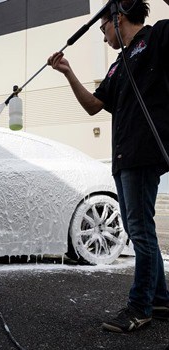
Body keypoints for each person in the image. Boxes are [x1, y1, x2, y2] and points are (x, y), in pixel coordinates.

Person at [48, 0, 169, 333]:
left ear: (117, 18)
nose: (103, 37)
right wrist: (68, 72)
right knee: (137, 231)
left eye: (103, 28)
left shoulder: (156, 37)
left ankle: (139, 307)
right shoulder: (118, 65)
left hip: (145, 153)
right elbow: (93, 106)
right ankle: (159, 299)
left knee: (140, 230)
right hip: (123, 157)